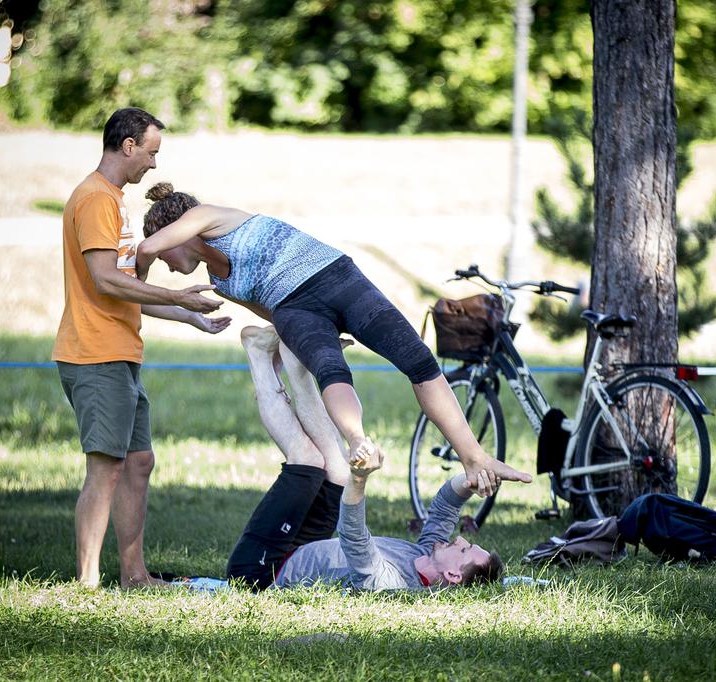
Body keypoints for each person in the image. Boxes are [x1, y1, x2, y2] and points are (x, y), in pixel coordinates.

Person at [135, 184, 532, 495]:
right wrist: (294, 348)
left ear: (174, 232)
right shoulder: (221, 283)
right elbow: (271, 314)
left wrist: (137, 285)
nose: (168, 263)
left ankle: (474, 456)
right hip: (294, 310)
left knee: (418, 360)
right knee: (329, 370)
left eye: (168, 251)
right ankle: (359, 441)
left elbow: (147, 247)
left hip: (334, 276)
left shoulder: (206, 216)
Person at [52, 108, 232, 589]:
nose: (153, 164)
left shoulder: (115, 202)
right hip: (94, 354)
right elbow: (107, 280)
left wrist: (190, 315)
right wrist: (176, 294)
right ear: (127, 146)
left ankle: (135, 575)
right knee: (106, 469)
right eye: (151, 152)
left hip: (121, 353)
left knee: (138, 462)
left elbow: (130, 291)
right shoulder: (94, 199)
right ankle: (87, 583)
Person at [226, 325, 503, 591]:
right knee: (336, 471)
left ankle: (259, 355)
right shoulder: (426, 553)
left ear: (453, 574)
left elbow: (353, 536)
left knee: (308, 459)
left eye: (465, 549)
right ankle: (294, 353)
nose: (461, 539)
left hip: (261, 572)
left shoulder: (389, 581)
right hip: (302, 548)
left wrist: (359, 479)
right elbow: (445, 508)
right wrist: (469, 480)